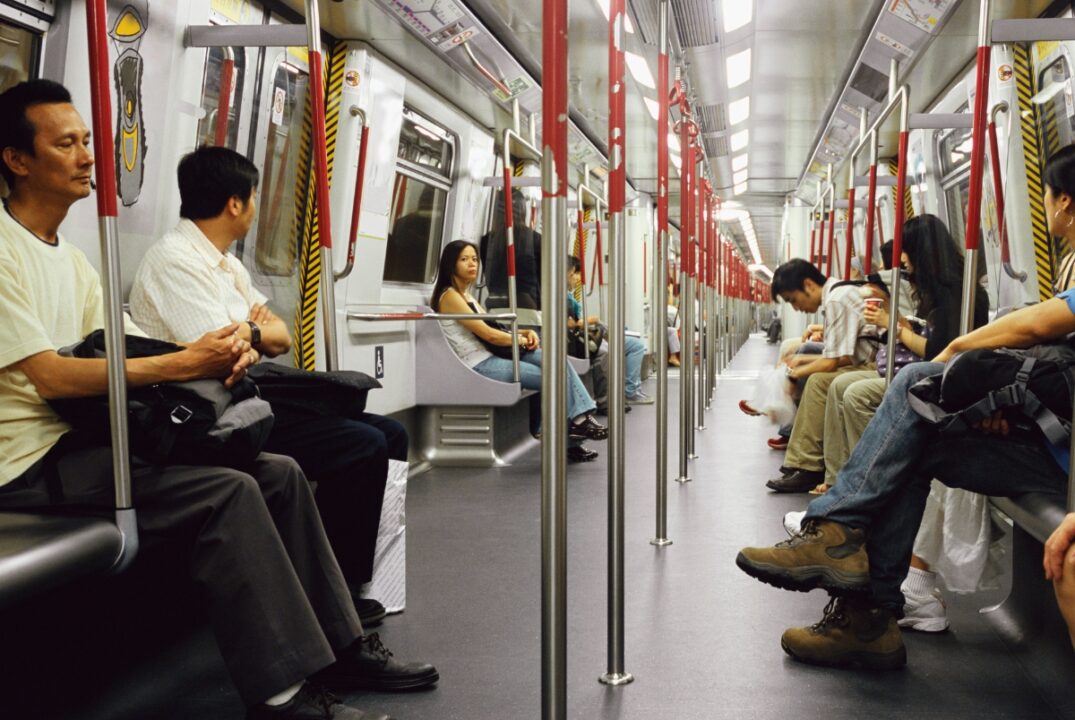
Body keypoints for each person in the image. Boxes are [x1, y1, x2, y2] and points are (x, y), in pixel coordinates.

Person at [0, 79, 431, 720]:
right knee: (228, 491)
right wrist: (189, 361)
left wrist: (198, 361)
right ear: (17, 160)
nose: (90, 156)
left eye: (88, 140)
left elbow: (114, 353)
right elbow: (53, 379)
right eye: (67, 144)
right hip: (30, 461)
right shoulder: (5, 252)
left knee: (278, 472)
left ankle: (341, 645)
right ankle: (281, 697)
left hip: (86, 438)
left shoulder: (73, 260)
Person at [734, 144, 1075, 670]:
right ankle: (868, 616)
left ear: (1064, 201)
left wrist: (957, 350)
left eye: (1049, 196)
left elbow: (1035, 327)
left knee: (916, 383)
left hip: (1060, 458)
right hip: (1046, 438)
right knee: (914, 438)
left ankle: (834, 534)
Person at [129, 146, 417, 629]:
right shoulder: (174, 261)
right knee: (361, 444)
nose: (258, 205)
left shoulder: (225, 264)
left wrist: (251, 333)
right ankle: (331, 599)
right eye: (256, 196)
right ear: (236, 203)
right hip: (208, 415)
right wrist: (252, 332)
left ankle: (353, 581)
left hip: (247, 400)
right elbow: (225, 361)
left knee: (390, 434)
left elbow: (277, 337)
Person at [432, 240, 606, 463]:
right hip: (480, 364)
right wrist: (521, 341)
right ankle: (578, 426)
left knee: (552, 359)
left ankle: (577, 426)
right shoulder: (450, 297)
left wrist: (524, 332)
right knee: (552, 377)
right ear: (451, 265)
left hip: (491, 355)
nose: (472, 264)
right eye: (464, 259)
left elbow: (494, 325)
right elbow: (489, 335)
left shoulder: (466, 295)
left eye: (474, 259)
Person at [763, 259, 882, 493]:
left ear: (808, 284)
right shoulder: (838, 295)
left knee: (819, 382)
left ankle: (807, 465)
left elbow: (832, 361)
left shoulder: (838, 299)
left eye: (793, 300)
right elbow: (841, 355)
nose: (796, 308)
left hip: (874, 365)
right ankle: (803, 461)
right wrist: (798, 364)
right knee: (813, 373)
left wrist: (793, 373)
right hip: (865, 360)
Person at [567, 255, 651, 405]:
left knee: (635, 343)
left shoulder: (569, 295)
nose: (578, 278)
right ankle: (622, 394)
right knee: (624, 348)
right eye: (576, 274)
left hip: (588, 334)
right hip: (578, 339)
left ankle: (631, 390)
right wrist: (589, 320)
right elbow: (570, 323)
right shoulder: (560, 295)